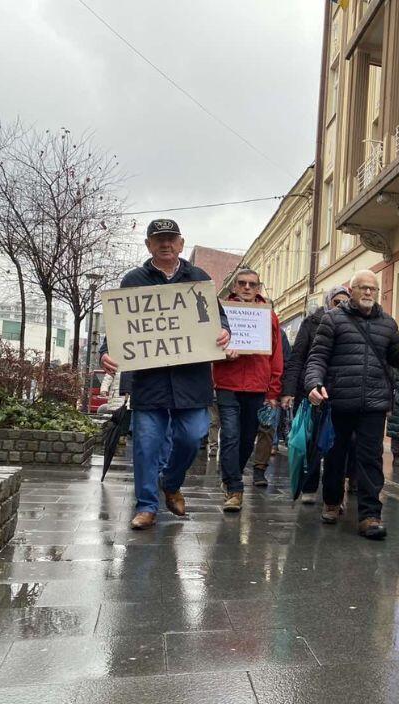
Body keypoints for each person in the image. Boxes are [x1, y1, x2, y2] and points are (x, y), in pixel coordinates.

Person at [100, 218, 231, 531]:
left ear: (181, 243)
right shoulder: (133, 280)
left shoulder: (199, 277)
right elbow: (120, 324)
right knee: (146, 444)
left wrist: (224, 331)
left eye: (171, 238)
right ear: (148, 245)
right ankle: (147, 506)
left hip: (191, 380)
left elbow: (219, 319)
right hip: (150, 381)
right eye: (158, 239)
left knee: (192, 435)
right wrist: (106, 350)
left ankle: (170, 483)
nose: (165, 244)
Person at [304, 269, 399, 540]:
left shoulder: (388, 323)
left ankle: (369, 516)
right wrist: (313, 384)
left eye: (372, 289)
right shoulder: (331, 320)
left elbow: (394, 357)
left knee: (370, 460)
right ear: (351, 291)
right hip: (339, 401)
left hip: (374, 404)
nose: (368, 293)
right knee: (335, 456)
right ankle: (331, 501)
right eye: (362, 288)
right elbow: (317, 357)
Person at [212, 268, 284, 512]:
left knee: (246, 439)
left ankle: (229, 475)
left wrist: (273, 391)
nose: (246, 288)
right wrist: (223, 355)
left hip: (257, 386)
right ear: (234, 287)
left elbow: (276, 355)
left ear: (258, 288)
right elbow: (210, 346)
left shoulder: (269, 316)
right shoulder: (221, 312)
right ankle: (234, 488)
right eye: (242, 283)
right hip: (227, 384)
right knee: (230, 435)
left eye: (252, 284)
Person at [281, 285, 350, 504]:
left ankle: (335, 490)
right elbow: (297, 358)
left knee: (336, 444)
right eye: (336, 302)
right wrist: (289, 391)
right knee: (312, 441)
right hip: (312, 389)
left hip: (340, 391)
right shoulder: (311, 323)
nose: (341, 306)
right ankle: (309, 486)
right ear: (329, 301)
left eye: (345, 302)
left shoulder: (352, 323)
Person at [251, 329, 292, 487]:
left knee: (267, 428)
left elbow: (285, 360)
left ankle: (260, 470)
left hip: (268, 388)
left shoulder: (278, 332)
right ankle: (234, 472)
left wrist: (283, 390)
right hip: (241, 387)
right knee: (244, 433)